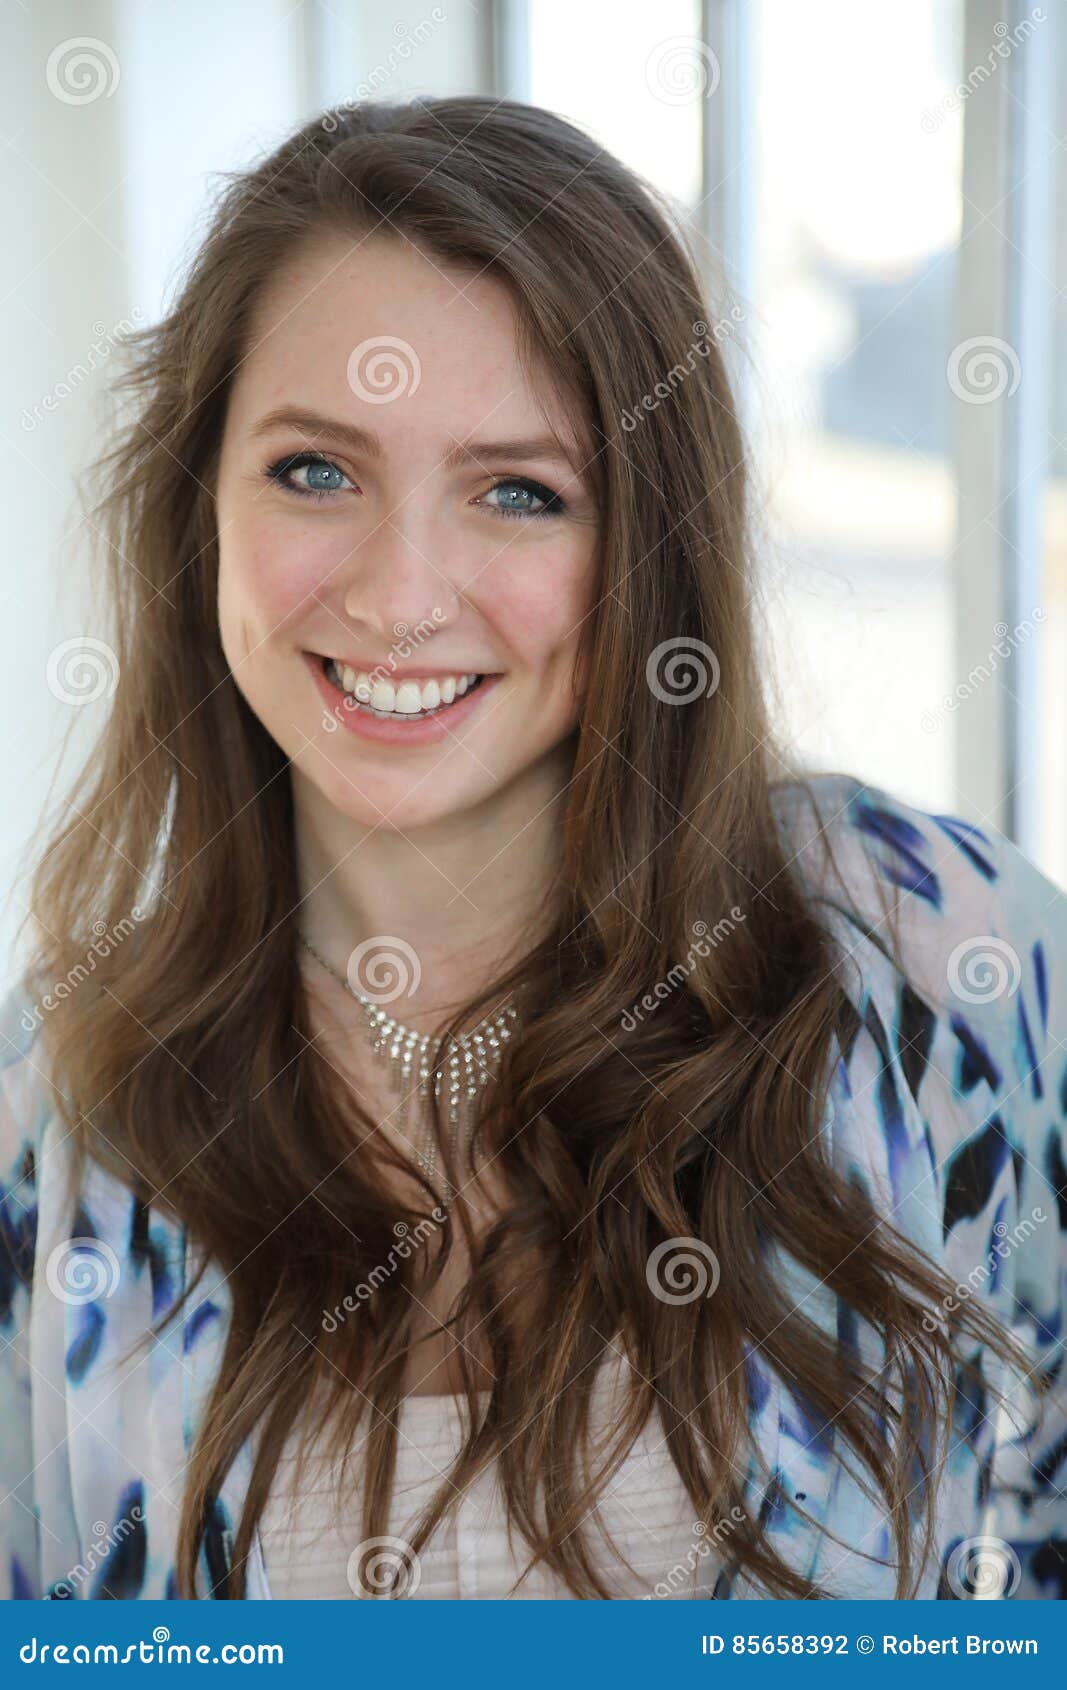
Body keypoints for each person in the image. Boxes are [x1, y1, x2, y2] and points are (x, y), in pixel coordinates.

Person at [1, 96, 1064, 1603]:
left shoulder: (949, 959)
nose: (399, 593)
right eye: (316, 469)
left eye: (519, 491)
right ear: (199, 511)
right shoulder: (60, 1097)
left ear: (648, 547)